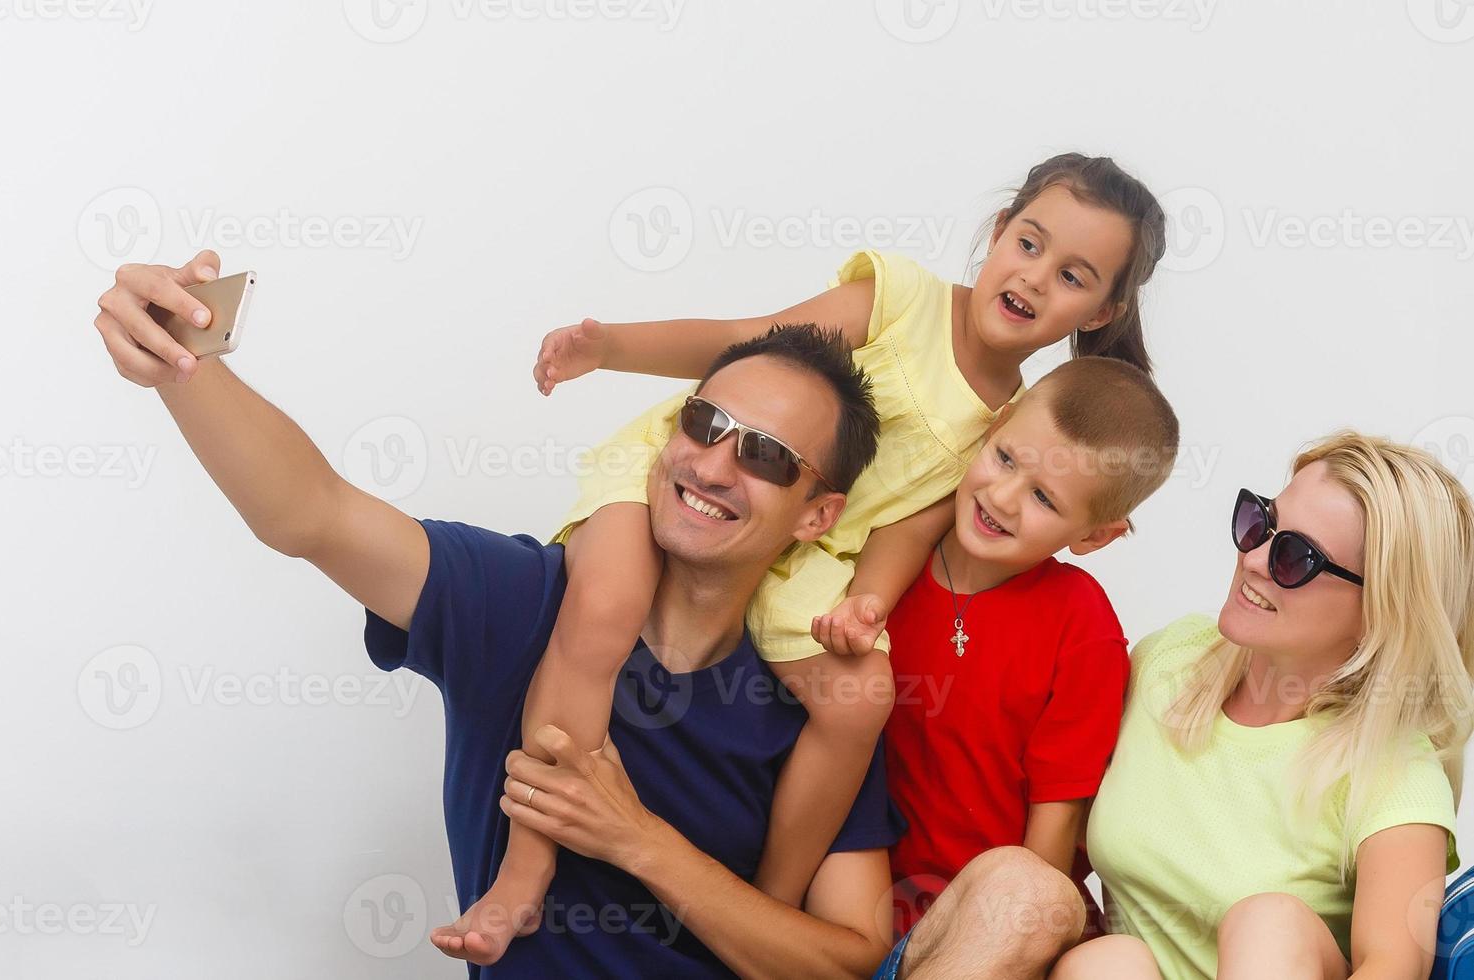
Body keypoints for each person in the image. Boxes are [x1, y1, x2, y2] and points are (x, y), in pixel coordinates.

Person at [91, 254, 905, 978]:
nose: (715, 465)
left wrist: (641, 843)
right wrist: (179, 362)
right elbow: (311, 511)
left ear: (817, 516)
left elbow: (845, 959)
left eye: (763, 455)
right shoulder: (523, 602)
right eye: (703, 423)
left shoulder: (816, 702)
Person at [480, 152, 1169, 962]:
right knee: (603, 608)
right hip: (707, 468)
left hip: (805, 547)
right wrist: (612, 346)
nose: (1034, 277)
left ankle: (763, 912)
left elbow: (906, 529)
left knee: (857, 697)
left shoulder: (1014, 423)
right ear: (997, 231)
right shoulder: (902, 301)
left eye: (1072, 275)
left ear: (1101, 309)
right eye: (1027, 244)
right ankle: (524, 872)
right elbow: (746, 343)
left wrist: (866, 603)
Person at [1056, 433, 1474, 979]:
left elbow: (1393, 969)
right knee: (1105, 963)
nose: (1251, 558)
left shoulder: (1395, 772)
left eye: (1294, 557)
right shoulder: (1168, 663)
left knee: (1269, 923)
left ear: (1381, 609)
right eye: (1260, 521)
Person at [838, 355, 1180, 976]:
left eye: (1044, 497)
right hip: (855, 926)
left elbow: (1051, 844)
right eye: (1004, 459)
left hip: (985, 942)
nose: (1002, 498)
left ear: (1096, 536)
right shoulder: (886, 559)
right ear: (993, 427)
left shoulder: (1081, 625)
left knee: (1031, 893)